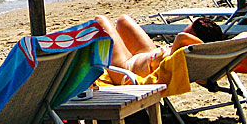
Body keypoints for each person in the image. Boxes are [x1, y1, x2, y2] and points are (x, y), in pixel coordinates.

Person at [96, 15, 224, 84]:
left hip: (126, 71)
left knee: (100, 20)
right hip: (148, 56)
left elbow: (181, 37)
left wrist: (200, 47)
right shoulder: (194, 56)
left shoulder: (182, 48)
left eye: (187, 28)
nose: (183, 30)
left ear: (192, 37)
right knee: (123, 20)